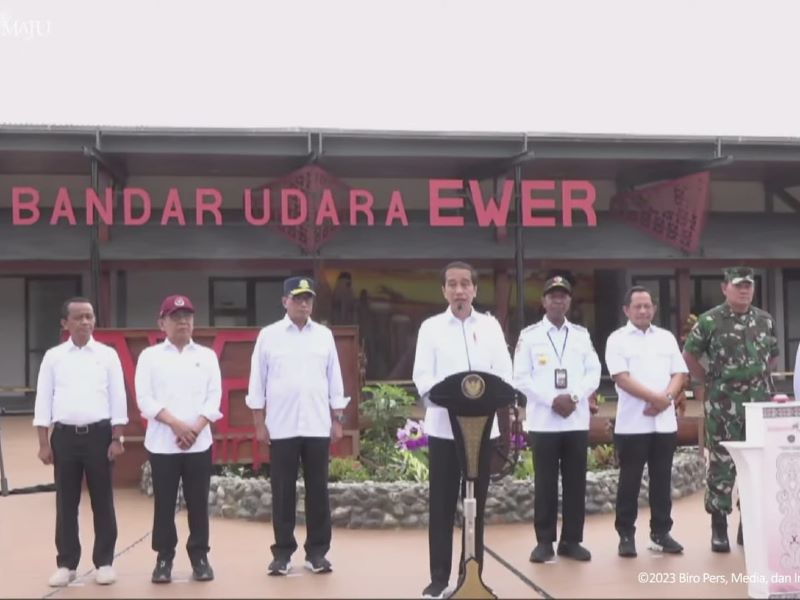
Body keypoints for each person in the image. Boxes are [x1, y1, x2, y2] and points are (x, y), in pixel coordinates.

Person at [412, 261, 513, 599]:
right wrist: (450, 397)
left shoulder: (490, 327)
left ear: (474, 289)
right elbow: (423, 378)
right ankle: (439, 579)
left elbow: (505, 376)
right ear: (444, 290)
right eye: (452, 284)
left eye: (465, 284)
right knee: (441, 505)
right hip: (444, 430)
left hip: (483, 430)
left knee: (476, 505)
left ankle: (472, 575)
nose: (459, 290)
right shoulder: (430, 328)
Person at [246, 276, 348, 576]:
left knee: (318, 491)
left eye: (308, 298)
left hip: (317, 424)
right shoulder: (269, 335)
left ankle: (317, 553)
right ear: (284, 301)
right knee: (282, 491)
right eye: (298, 298)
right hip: (282, 425)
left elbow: (335, 379)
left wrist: (337, 419)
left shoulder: (324, 336)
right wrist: (259, 423)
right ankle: (282, 553)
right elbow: (257, 381)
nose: (304, 303)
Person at [32, 297, 128, 587]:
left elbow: (118, 398)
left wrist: (118, 437)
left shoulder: (107, 355)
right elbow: (43, 399)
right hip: (64, 437)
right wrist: (43, 442)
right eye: (78, 317)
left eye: (89, 316)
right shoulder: (54, 356)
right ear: (65, 324)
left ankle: (105, 562)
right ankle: (67, 563)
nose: (85, 322)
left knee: (103, 500)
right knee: (66, 502)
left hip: (99, 436)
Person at [683, 266, 779, 552]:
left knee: (757, 466)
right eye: (738, 286)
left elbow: (772, 357)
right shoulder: (710, 320)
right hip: (724, 406)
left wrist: (758, 378)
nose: (744, 290)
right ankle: (719, 527)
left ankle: (747, 526)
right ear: (725, 288)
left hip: (758, 406)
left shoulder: (765, 320)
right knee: (722, 465)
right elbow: (689, 354)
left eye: (748, 285)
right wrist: (708, 379)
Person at [135, 294, 222, 583]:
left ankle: (200, 556)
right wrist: (175, 424)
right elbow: (145, 399)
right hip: (163, 444)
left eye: (187, 316)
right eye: (175, 317)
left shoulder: (207, 356)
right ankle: (164, 559)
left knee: (198, 503)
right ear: (162, 323)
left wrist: (194, 429)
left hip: (199, 443)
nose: (183, 321)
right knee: (164, 504)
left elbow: (214, 398)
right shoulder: (150, 357)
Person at [513, 276, 601, 563]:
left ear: (569, 301)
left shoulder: (581, 335)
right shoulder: (529, 336)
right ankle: (544, 542)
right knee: (546, 483)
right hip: (544, 421)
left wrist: (574, 397)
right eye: (553, 296)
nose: (558, 300)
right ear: (543, 301)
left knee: (576, 482)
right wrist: (552, 399)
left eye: (563, 296)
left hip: (575, 420)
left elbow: (593, 371)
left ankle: (572, 541)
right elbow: (520, 377)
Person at [604, 286, 688, 558]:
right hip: (633, 424)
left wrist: (666, 398)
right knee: (629, 481)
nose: (643, 310)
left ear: (654, 309)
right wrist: (658, 398)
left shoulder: (666, 338)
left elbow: (679, 373)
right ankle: (625, 534)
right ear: (626, 310)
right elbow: (621, 377)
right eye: (637, 306)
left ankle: (661, 532)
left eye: (647, 306)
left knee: (662, 480)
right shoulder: (617, 339)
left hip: (664, 424)